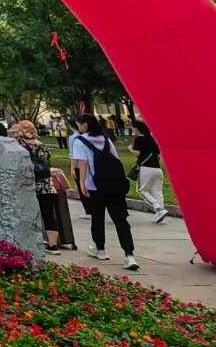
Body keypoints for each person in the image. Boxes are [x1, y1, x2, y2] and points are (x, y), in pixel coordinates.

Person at [71, 114, 139, 270]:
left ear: (85, 125)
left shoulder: (79, 141)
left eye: (79, 124)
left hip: (94, 185)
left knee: (97, 218)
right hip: (114, 185)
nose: (78, 127)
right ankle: (129, 255)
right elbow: (116, 159)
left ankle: (100, 248)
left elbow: (83, 163)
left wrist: (82, 182)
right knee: (121, 220)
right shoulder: (106, 139)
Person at [12, 120, 61, 255]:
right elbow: (48, 162)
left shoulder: (18, 145)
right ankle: (53, 245)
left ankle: (28, 243)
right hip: (46, 186)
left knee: (26, 215)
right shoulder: (42, 145)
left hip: (28, 185)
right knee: (49, 215)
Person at [130, 120, 168, 222]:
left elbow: (137, 153)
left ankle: (158, 209)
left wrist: (130, 149)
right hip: (157, 169)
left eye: (132, 128)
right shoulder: (151, 139)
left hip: (146, 169)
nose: (132, 130)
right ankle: (160, 213)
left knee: (141, 190)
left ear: (136, 128)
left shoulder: (139, 139)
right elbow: (158, 153)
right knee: (157, 192)